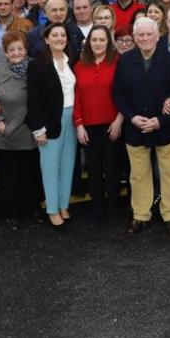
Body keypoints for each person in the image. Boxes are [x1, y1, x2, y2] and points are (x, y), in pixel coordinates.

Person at [113, 16, 170, 236]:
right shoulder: (125, 61)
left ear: (157, 36)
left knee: (169, 174)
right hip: (135, 128)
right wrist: (132, 117)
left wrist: (160, 120)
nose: (145, 38)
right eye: (140, 35)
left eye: (149, 34)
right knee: (138, 174)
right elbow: (119, 94)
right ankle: (141, 215)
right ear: (134, 37)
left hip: (165, 128)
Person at [0, 30, 40, 231]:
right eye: (11, 49)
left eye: (20, 48)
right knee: (9, 179)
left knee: (31, 176)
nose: (16, 53)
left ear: (26, 49)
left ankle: (32, 210)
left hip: (31, 134)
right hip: (6, 136)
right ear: (5, 52)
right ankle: (11, 214)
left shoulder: (36, 68)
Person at [73, 25, 126, 221]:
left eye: (102, 40)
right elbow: (76, 97)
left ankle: (113, 207)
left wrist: (119, 119)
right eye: (94, 40)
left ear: (108, 42)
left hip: (113, 124)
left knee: (112, 167)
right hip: (88, 126)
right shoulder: (79, 66)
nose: (97, 43)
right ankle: (97, 207)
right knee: (94, 169)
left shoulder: (118, 63)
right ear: (88, 43)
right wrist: (79, 124)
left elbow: (124, 93)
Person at [28, 24, 78, 228]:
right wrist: (38, 129)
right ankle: (52, 209)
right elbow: (33, 100)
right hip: (50, 122)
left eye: (62, 35)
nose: (59, 38)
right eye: (54, 35)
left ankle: (64, 204)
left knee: (67, 164)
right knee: (50, 167)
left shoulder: (70, 61)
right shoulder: (38, 65)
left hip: (72, 117)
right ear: (46, 40)